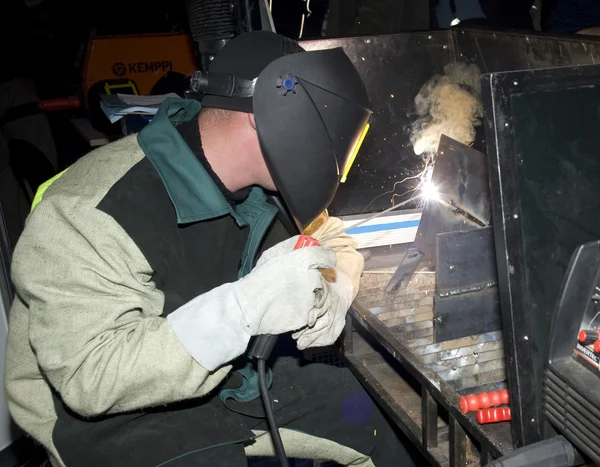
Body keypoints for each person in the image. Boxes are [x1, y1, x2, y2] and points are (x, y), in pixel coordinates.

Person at [5, 31, 421, 466]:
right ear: (272, 115)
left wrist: (338, 287)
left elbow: (332, 238)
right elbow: (92, 377)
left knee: (383, 420)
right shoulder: (91, 211)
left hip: (223, 381)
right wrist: (242, 310)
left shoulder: (270, 182)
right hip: (111, 419)